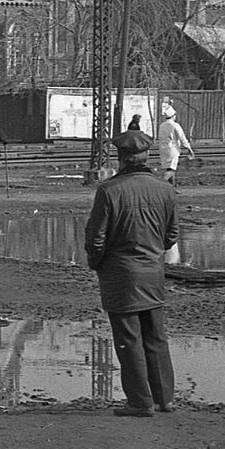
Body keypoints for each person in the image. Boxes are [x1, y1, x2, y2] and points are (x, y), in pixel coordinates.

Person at [84, 126, 179, 417]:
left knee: (129, 339)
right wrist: (153, 252)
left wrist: (98, 263)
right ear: (146, 156)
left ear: (121, 158)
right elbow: (172, 234)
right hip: (153, 272)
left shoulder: (109, 191)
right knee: (156, 336)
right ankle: (165, 398)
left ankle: (140, 401)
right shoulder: (165, 189)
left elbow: (95, 238)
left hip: (121, 274)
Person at [156, 104, 194, 184]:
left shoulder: (162, 125)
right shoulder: (175, 125)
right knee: (172, 170)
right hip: (173, 149)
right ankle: (160, 183)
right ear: (173, 116)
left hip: (163, 149)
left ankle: (172, 187)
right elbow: (182, 137)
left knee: (168, 168)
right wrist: (189, 148)